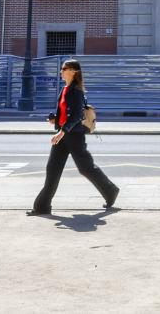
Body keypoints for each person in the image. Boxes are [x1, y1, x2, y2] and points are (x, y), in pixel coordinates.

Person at [30, 59, 118, 217]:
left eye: (64, 69)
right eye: (62, 69)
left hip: (74, 135)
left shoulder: (76, 91)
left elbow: (77, 114)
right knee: (52, 169)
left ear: (73, 71)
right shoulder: (65, 89)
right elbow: (66, 113)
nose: (61, 71)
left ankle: (111, 190)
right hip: (64, 133)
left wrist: (62, 131)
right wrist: (55, 119)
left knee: (86, 168)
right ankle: (42, 206)